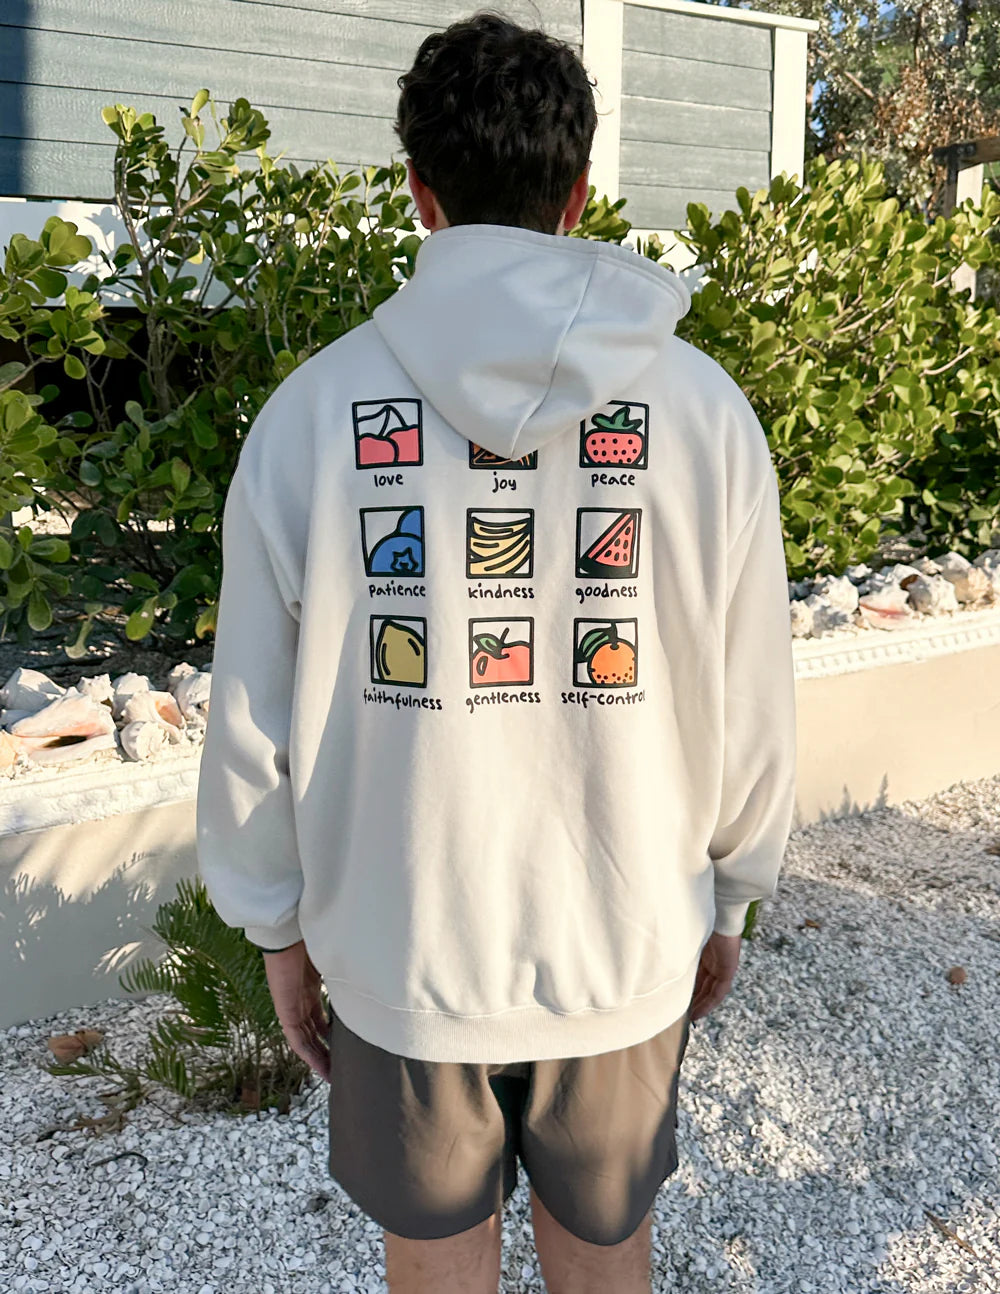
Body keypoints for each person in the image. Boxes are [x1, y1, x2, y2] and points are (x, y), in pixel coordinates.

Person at [196, 12, 797, 1293]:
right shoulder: (703, 413)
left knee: (433, 1260)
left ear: (419, 193)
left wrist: (277, 925)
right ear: (575, 197)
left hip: (403, 945)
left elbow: (250, 714)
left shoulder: (309, 418)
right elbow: (752, 699)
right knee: (605, 1250)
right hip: (622, 936)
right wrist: (733, 891)